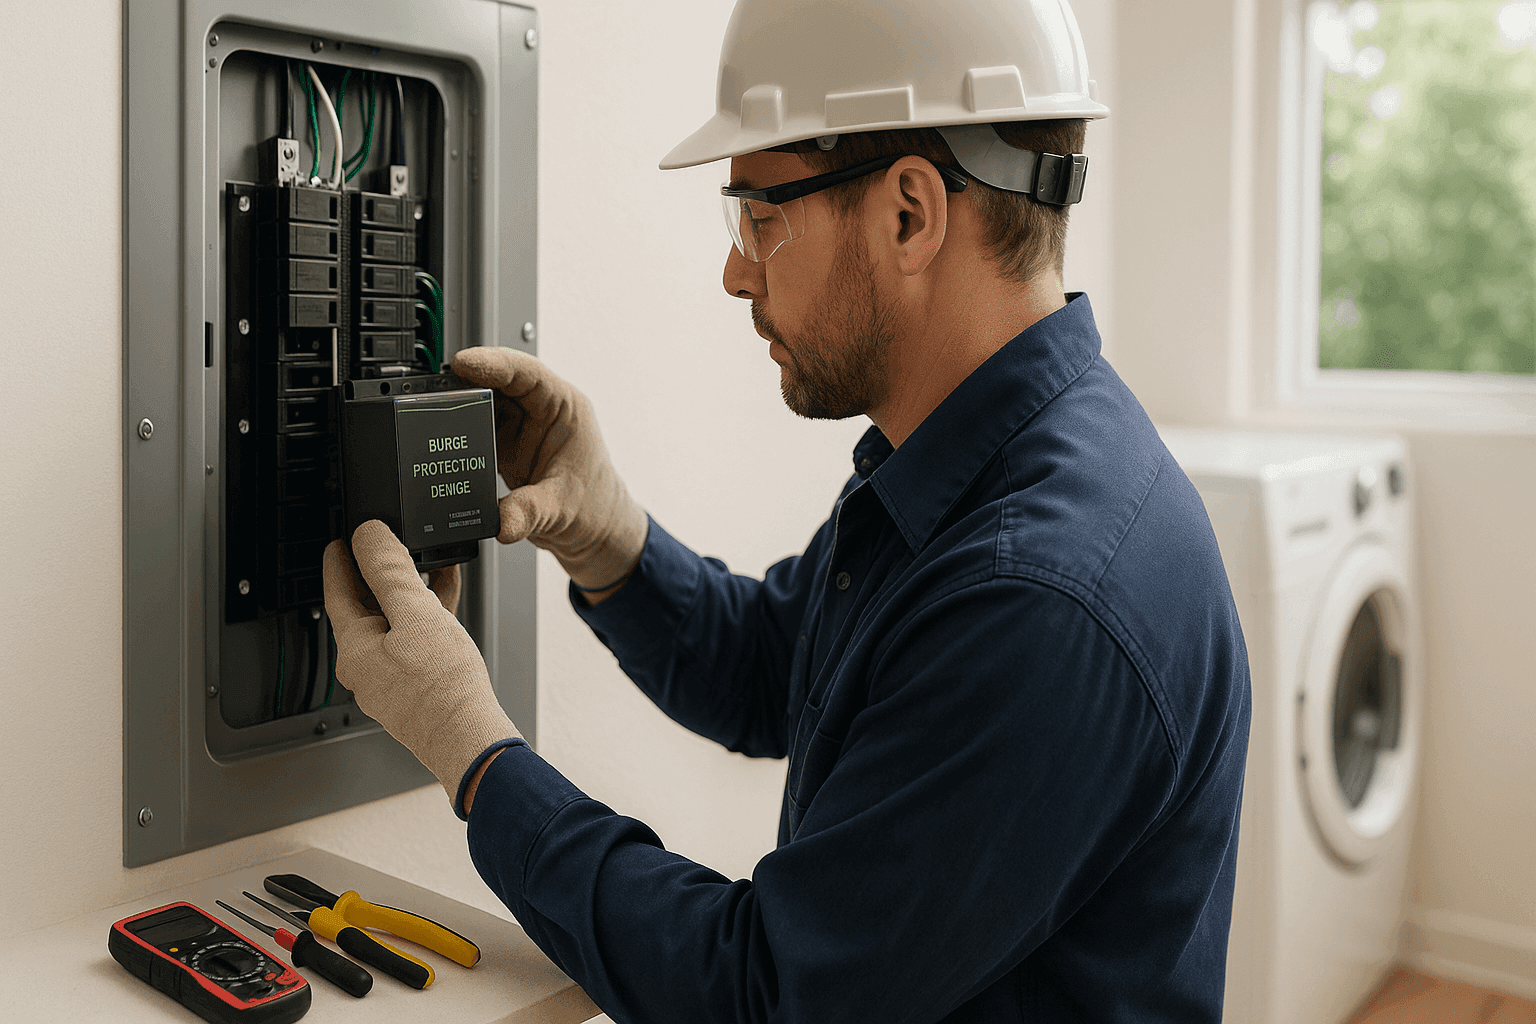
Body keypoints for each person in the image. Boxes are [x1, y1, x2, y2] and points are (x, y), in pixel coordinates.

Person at [322, 1, 1252, 1020]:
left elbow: (762, 993)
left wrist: (471, 751)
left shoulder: (1040, 592)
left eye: (759, 216)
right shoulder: (974, 460)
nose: (734, 271)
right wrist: (611, 539)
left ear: (910, 213)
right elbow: (782, 673)